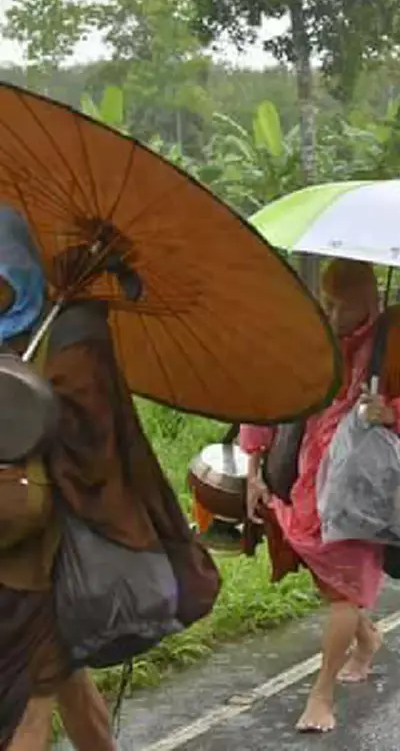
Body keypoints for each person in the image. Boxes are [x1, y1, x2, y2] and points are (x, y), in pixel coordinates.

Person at [2, 206, 217, 750]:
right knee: (50, 684)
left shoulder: (70, 335)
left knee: (37, 692)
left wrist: (33, 421)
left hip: (44, 551)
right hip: (12, 550)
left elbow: (94, 440)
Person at [240, 260, 400, 734]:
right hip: (307, 481)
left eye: (341, 304)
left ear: (368, 301)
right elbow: (271, 399)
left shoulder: (393, 347)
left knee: (345, 589)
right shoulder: (312, 342)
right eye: (326, 302)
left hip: (364, 493)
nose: (330, 313)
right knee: (328, 578)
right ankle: (367, 639)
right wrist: (253, 468)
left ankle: (322, 694)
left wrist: (391, 412)